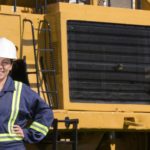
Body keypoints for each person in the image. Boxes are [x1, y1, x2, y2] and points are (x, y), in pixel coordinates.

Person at [0, 37, 54, 150]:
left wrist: (28, 133)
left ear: (10, 66)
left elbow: (45, 112)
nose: (1, 67)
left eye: (5, 62)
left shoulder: (21, 90)